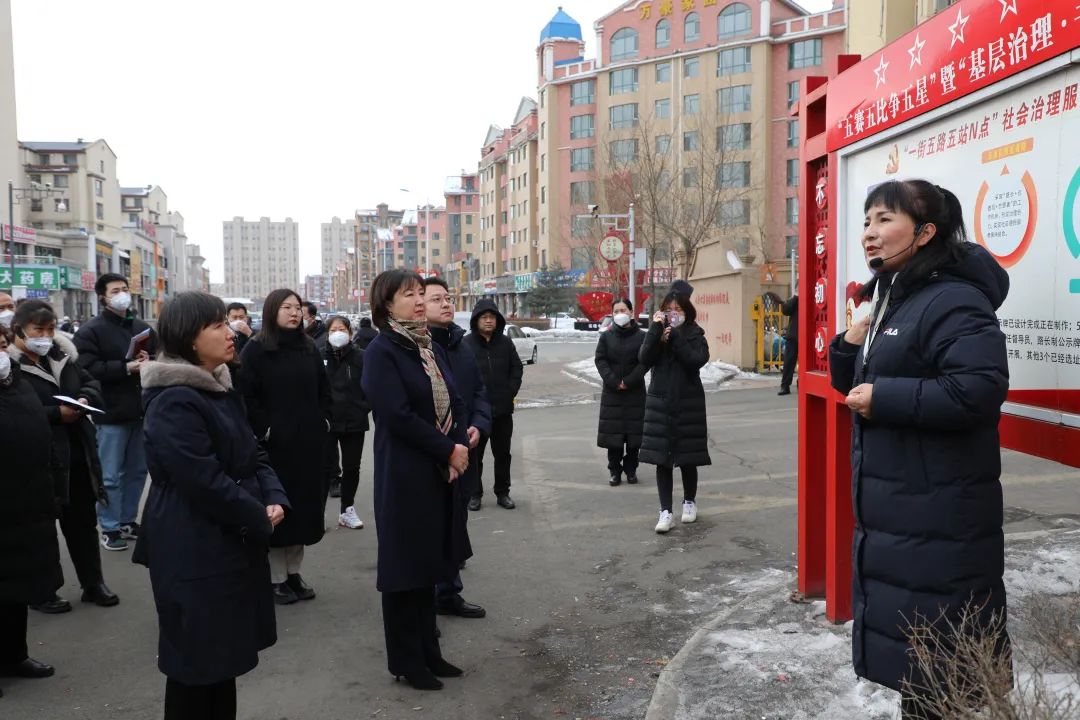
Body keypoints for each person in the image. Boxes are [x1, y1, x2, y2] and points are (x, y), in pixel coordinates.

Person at [828, 180, 1010, 720]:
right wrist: (851, 343)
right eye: (867, 221)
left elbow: (976, 391)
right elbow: (858, 385)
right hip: (907, 518)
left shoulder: (953, 299)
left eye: (885, 219)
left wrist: (885, 398)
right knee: (923, 670)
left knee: (941, 674)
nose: (869, 234)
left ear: (926, 232)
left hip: (939, 519)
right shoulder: (895, 296)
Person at [137, 291, 289, 720]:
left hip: (225, 538)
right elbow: (200, 480)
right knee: (195, 664)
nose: (231, 332)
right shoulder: (174, 399)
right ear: (188, 336)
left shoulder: (217, 386)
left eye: (228, 323)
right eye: (218, 325)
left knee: (221, 661)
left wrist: (275, 496)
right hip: (193, 545)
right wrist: (255, 514)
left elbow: (253, 453)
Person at [361, 269, 470, 691]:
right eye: (409, 294)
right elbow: (396, 415)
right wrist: (447, 450)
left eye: (421, 293)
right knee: (405, 569)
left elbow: (454, 401)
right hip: (405, 475)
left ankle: (430, 652)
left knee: (429, 564)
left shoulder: (427, 346)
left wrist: (457, 448)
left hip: (440, 471)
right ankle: (407, 661)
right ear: (387, 304)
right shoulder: (382, 351)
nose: (420, 300)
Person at [8, 301, 118, 613]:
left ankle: (92, 583)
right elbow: (13, 413)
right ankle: (42, 592)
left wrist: (85, 399)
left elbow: (90, 382)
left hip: (76, 452)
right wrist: (57, 414)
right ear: (19, 330)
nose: (45, 336)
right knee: (40, 529)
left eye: (50, 329)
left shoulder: (63, 356)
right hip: (36, 459)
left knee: (83, 521)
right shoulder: (10, 366)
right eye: (37, 330)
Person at [238, 289, 332, 605]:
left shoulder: (308, 347)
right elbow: (246, 396)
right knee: (280, 512)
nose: (294, 313)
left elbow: (324, 390)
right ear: (271, 311)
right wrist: (263, 429)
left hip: (308, 445)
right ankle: (276, 578)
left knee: (305, 511)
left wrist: (324, 421)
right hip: (275, 447)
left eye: (297, 307)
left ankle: (294, 572)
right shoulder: (256, 350)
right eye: (286, 307)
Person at [74, 273, 158, 551]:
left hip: (140, 410)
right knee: (109, 474)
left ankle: (127, 519)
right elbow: (86, 370)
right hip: (109, 413)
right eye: (115, 290)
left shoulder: (142, 328)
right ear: (103, 296)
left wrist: (149, 361)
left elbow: (158, 359)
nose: (122, 294)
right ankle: (109, 526)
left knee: (137, 471)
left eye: (125, 288)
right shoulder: (90, 331)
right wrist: (124, 368)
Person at [423, 277, 490, 620]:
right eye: (437, 299)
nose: (446, 304)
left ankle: (449, 591)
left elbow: (478, 391)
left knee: (456, 518)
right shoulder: (417, 348)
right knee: (433, 525)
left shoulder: (460, 345)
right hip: (434, 452)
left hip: (464, 448)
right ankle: (429, 594)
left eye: (448, 298)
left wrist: (478, 423)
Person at [0, 325, 60, 697]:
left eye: (1, 342)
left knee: (17, 586)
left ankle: (13, 655)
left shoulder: (16, 381)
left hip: (25, 502)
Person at [638, 280, 712, 534]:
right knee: (663, 460)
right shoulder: (658, 331)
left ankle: (689, 502)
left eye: (677, 308)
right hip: (660, 402)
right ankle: (665, 511)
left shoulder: (695, 334)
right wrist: (655, 335)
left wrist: (677, 338)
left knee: (687, 457)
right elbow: (644, 359)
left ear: (686, 310)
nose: (673, 313)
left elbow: (695, 361)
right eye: (669, 309)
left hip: (688, 402)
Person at [464, 298, 522, 511]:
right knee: (474, 456)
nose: (488, 321)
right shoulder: (466, 344)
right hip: (477, 415)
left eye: (492, 317)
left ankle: (503, 492)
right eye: (484, 317)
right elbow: (462, 376)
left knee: (503, 455)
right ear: (476, 320)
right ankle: (474, 493)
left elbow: (517, 369)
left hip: (503, 411)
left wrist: (509, 392)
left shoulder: (506, 343)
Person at [594, 298, 647, 487]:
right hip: (612, 393)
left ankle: (631, 470)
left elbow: (645, 362)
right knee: (613, 437)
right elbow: (600, 360)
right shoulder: (606, 336)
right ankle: (614, 471)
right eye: (615, 311)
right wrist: (614, 381)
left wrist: (630, 380)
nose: (619, 314)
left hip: (635, 393)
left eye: (623, 310)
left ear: (631, 313)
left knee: (634, 437)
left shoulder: (642, 337)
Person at [323, 315, 369, 529]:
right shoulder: (319, 356)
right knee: (324, 467)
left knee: (352, 467)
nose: (337, 333)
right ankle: (316, 514)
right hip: (326, 422)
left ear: (351, 333)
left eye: (341, 329)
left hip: (354, 420)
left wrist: (363, 406)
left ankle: (347, 510)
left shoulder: (362, 357)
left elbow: (372, 385)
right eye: (333, 330)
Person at [778, 288, 798, 396]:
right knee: (789, 361)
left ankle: (802, 383)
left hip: (807, 336)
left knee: (806, 363)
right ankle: (785, 386)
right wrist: (796, 297)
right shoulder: (794, 300)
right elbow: (785, 310)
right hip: (793, 335)